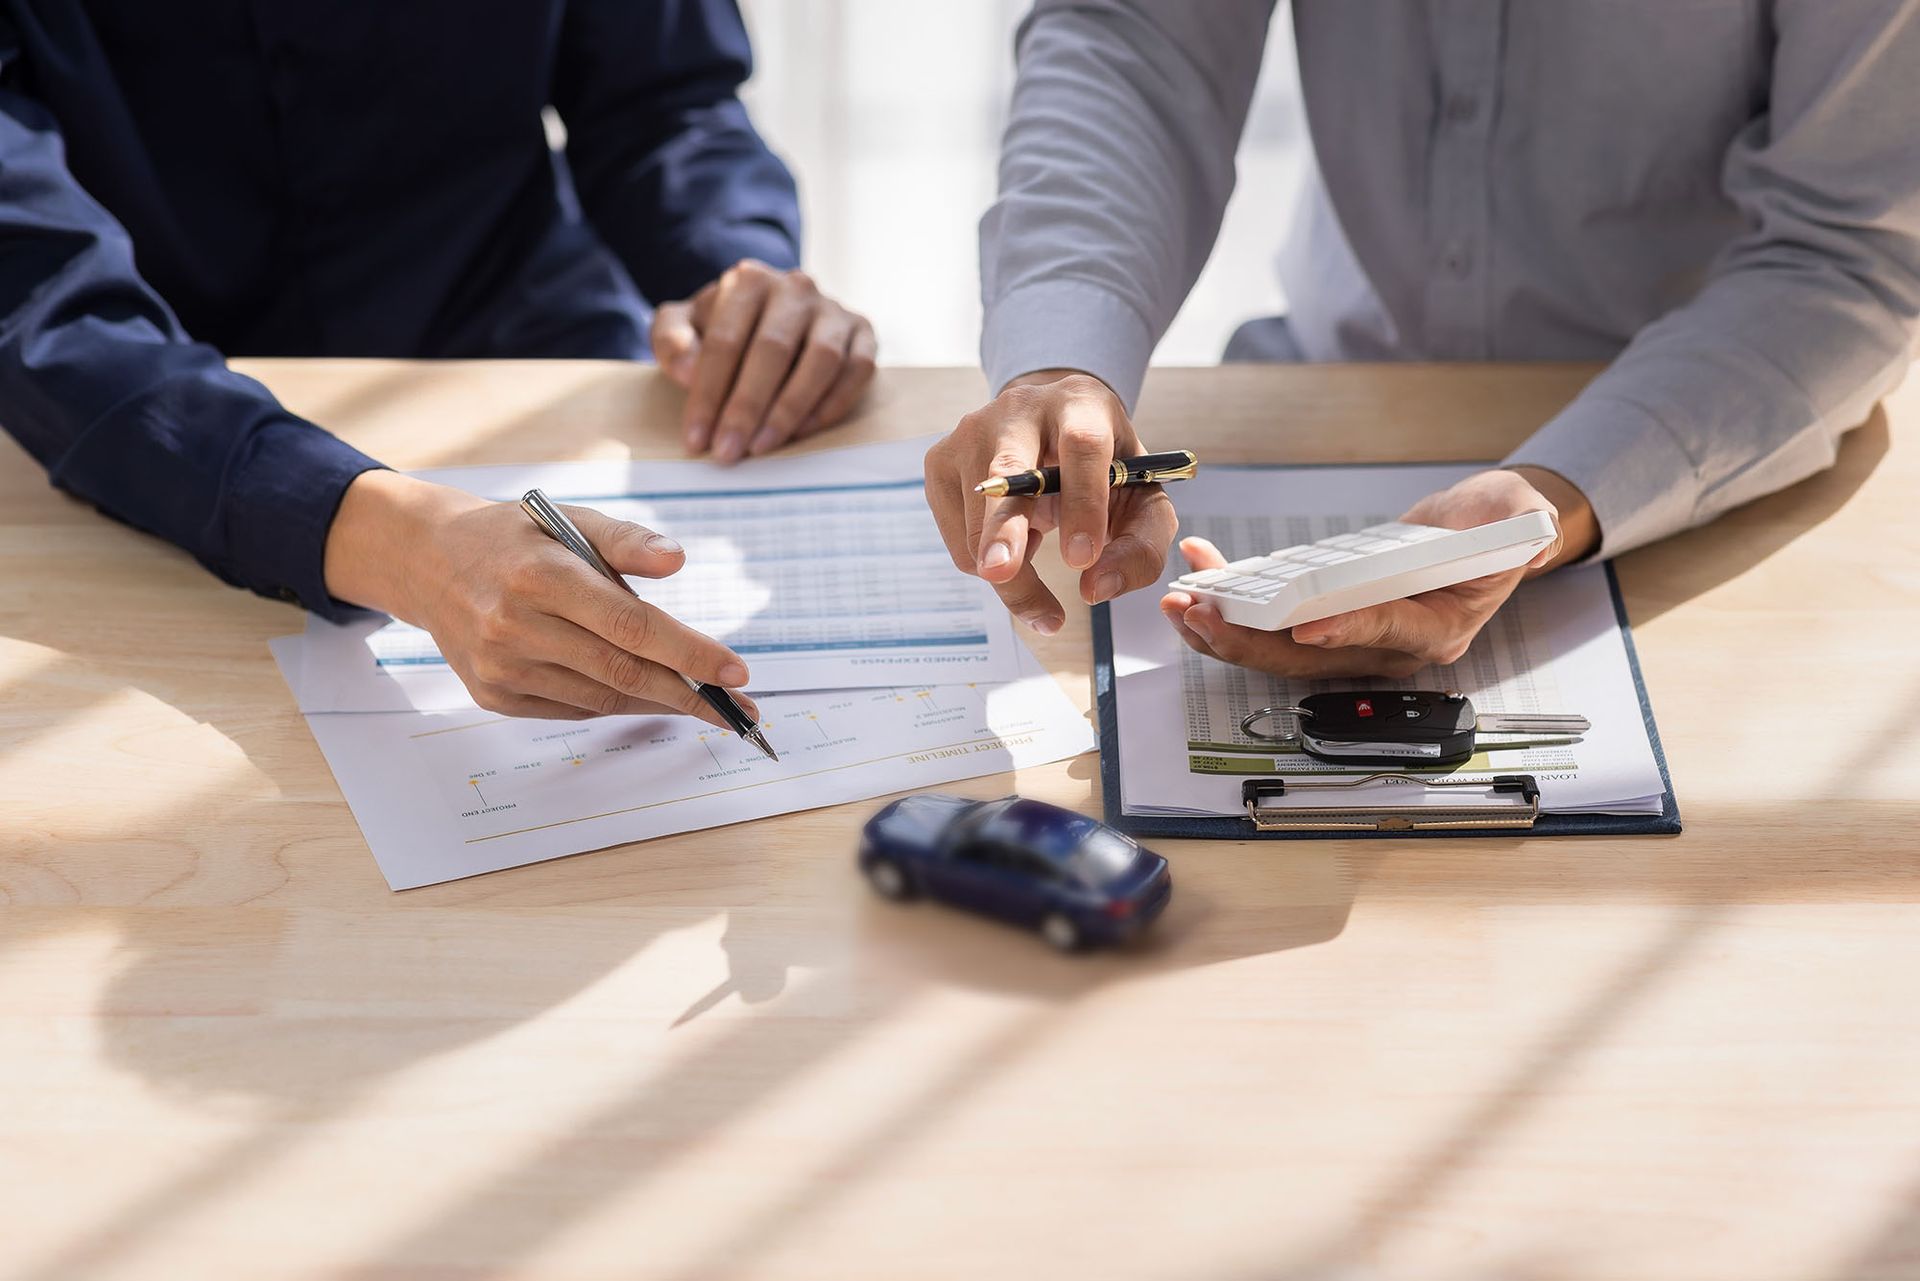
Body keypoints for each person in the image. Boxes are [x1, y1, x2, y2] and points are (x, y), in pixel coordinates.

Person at [924, 0, 1920, 678]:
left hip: (1716, 467)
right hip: (1330, 387)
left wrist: (1557, 499)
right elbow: (1136, 34)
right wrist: (1062, 349)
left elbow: (1850, 247)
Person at [0, 0, 875, 723]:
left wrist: (734, 273)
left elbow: (664, 98)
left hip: (539, 352)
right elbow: (39, 299)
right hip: (148, 425)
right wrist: (395, 544)